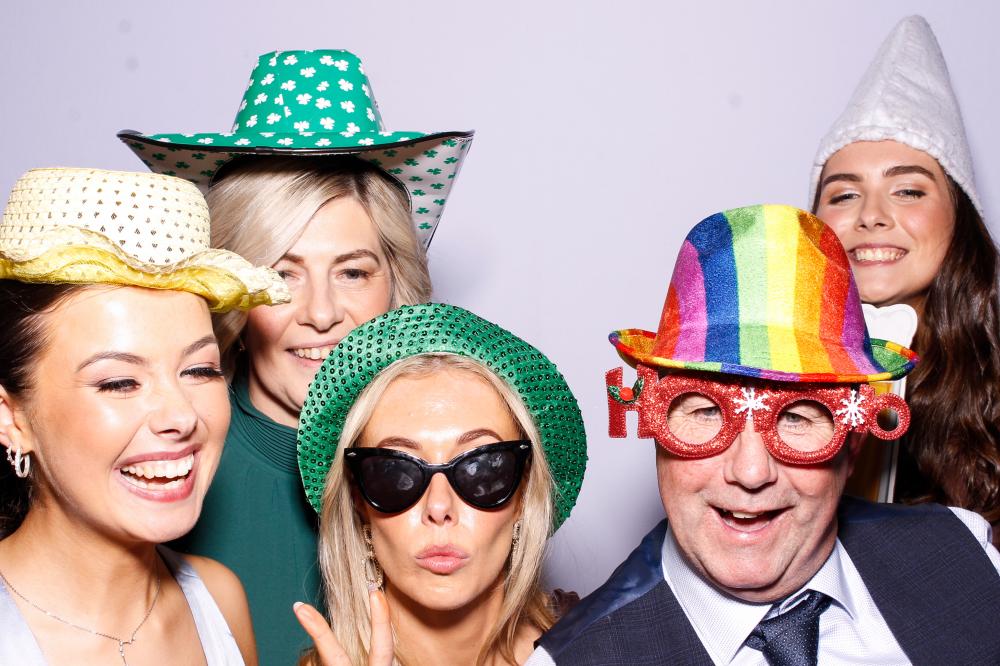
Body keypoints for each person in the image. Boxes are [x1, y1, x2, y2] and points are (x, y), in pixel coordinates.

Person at [118, 49, 474, 663]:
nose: (321, 312)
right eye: (281, 274)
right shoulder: (160, 471)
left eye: (353, 272)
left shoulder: (463, 475)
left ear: (397, 286)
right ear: (230, 293)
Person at [531, 205, 1000, 665]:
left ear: (853, 443)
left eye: (797, 417)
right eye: (706, 412)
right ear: (656, 427)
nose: (751, 472)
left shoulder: (967, 559)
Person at [0, 167, 289, 664]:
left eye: (199, 370)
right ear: (10, 418)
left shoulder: (219, 601)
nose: (181, 416)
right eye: (120, 382)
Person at [291, 303, 587, 665]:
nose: (439, 507)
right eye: (396, 473)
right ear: (358, 502)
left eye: (481, 468)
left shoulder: (606, 646)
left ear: (524, 493)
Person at [809, 16, 1000, 543]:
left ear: (960, 217)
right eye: (844, 195)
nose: (871, 215)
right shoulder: (761, 372)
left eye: (908, 191)